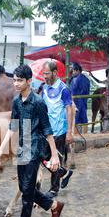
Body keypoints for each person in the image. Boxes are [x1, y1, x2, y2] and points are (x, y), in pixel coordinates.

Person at [0, 65, 64, 217]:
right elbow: (13, 127)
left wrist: (54, 156)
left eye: (20, 80)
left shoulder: (39, 102)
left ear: (29, 81)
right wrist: (1, 150)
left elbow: (48, 130)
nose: (16, 83)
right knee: (26, 187)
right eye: (15, 80)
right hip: (22, 147)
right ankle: (54, 205)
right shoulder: (17, 102)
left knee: (26, 193)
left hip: (35, 148)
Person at [41, 60, 74, 196]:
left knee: (56, 159)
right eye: (44, 74)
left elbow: (69, 109)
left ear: (55, 72)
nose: (45, 76)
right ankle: (64, 173)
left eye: (47, 73)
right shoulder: (44, 88)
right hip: (47, 130)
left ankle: (54, 189)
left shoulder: (63, 89)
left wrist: (69, 132)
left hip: (60, 130)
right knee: (42, 156)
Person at [70, 62, 90, 133]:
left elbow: (84, 91)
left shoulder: (82, 79)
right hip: (77, 101)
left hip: (80, 101)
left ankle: (82, 135)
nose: (72, 72)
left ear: (77, 70)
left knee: (79, 118)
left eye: (73, 71)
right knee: (79, 118)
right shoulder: (74, 79)